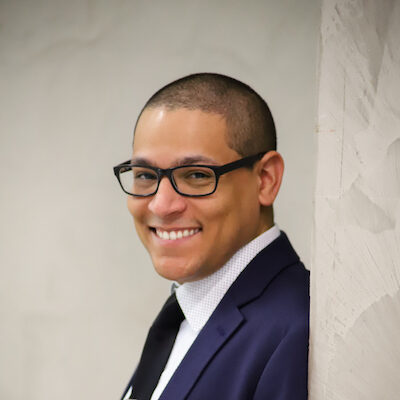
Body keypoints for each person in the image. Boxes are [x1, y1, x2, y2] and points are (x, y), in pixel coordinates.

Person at [113, 73, 309, 400]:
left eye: (196, 175)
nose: (161, 205)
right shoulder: (186, 315)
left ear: (265, 179)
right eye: (145, 175)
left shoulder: (300, 332)